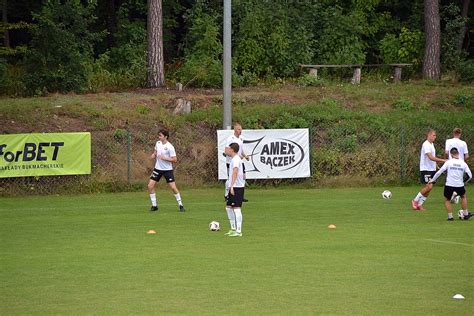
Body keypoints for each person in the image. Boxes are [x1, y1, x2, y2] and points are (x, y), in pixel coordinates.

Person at [429, 147, 472, 221]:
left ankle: (450, 217)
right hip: (459, 185)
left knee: (447, 200)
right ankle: (465, 214)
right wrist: (464, 181)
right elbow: (470, 175)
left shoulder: (448, 162)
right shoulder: (463, 163)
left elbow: (439, 172)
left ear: (451, 154)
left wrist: (432, 180)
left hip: (449, 184)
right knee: (463, 197)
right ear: (458, 154)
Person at [147, 129, 185, 212]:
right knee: (150, 186)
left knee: (173, 187)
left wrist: (165, 158)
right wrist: (153, 155)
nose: (159, 137)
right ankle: (154, 206)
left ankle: (181, 205)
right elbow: (155, 152)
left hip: (167, 170)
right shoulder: (158, 143)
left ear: (165, 137)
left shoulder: (170, 147)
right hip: (157, 169)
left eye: (160, 135)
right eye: (159, 135)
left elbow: (175, 160)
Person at [411, 129, 447, 211]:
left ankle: (419, 205)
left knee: (429, 188)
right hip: (426, 169)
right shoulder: (426, 144)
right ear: (429, 135)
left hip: (432, 169)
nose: (435, 137)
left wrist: (436, 166)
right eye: (434, 135)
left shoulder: (432, 144)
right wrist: (443, 160)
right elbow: (430, 157)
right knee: (429, 186)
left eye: (435, 135)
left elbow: (432, 157)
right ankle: (415, 200)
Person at [224, 142, 245, 237]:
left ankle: (239, 231)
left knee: (236, 208)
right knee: (228, 207)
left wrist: (232, 186)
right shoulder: (233, 159)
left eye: (228, 148)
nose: (227, 150)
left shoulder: (236, 160)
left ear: (232, 150)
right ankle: (233, 228)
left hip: (237, 187)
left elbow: (235, 172)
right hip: (233, 186)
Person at [224, 123, 248, 201]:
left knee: (243, 177)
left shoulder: (241, 138)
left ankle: (241, 195)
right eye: (238, 129)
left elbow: (241, 150)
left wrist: (245, 156)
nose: (240, 131)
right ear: (234, 130)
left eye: (241, 129)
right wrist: (235, 156)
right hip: (231, 162)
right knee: (230, 178)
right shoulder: (230, 138)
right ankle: (227, 194)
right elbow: (226, 151)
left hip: (240, 162)